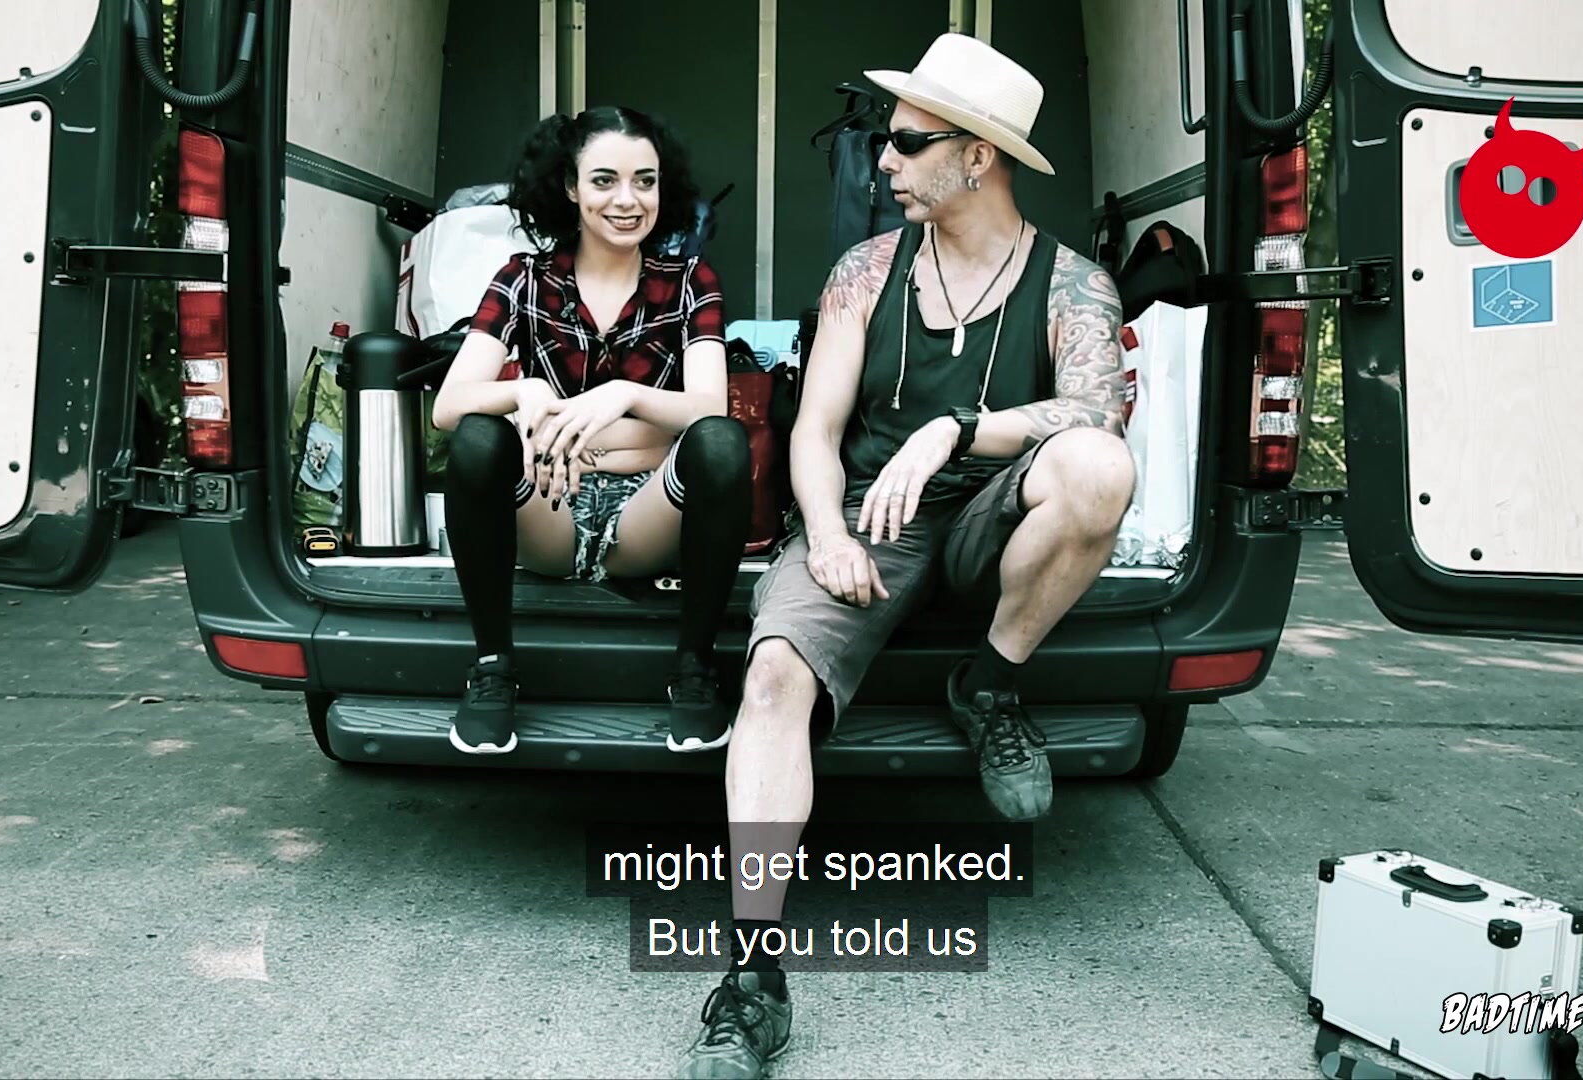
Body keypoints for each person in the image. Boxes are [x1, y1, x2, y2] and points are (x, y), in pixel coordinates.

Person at [675, 34, 1135, 1079]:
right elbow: (812, 430)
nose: (883, 160)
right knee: (773, 676)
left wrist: (955, 432)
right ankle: (751, 975)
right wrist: (827, 531)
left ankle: (991, 684)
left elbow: (1098, 413)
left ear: (977, 156)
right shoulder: (866, 271)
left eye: (908, 142)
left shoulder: (1073, 283)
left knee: (1099, 468)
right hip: (867, 519)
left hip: (994, 517)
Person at [431, 107, 753, 757]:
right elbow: (448, 406)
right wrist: (525, 391)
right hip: (548, 508)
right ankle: (492, 668)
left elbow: (709, 407)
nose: (627, 200)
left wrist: (621, 396)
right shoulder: (523, 278)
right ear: (570, 187)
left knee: (721, 443)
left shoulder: (691, 281)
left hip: (648, 516)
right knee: (477, 438)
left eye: (645, 181)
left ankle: (694, 671)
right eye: (604, 180)